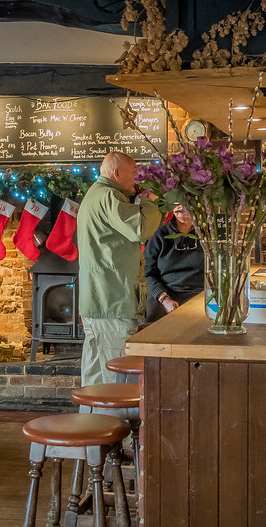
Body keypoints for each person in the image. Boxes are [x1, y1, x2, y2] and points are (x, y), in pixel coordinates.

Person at [77, 152, 162, 385]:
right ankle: (111, 421)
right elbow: (141, 229)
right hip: (112, 300)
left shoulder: (96, 194)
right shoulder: (109, 197)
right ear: (117, 173)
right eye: (134, 172)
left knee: (95, 374)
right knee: (114, 376)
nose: (137, 178)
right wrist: (150, 200)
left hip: (99, 300)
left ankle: (92, 419)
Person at [143, 204, 204, 322]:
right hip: (166, 294)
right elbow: (147, 272)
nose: (183, 209)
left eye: (187, 203)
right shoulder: (160, 234)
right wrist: (164, 299)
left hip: (199, 296)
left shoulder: (206, 233)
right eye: (178, 204)